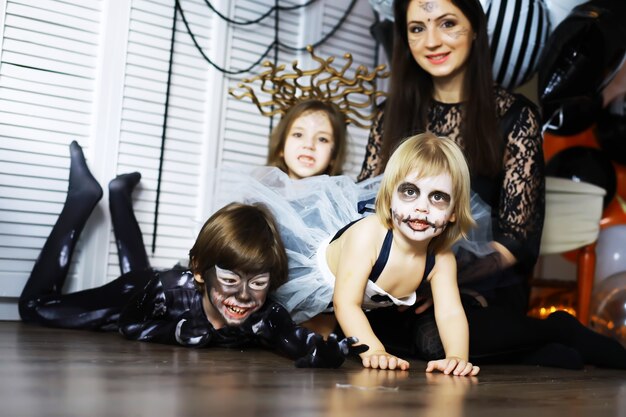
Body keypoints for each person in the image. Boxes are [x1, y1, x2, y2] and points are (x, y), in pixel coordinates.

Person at [357, 0, 626, 369]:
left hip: (484, 280)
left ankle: (559, 330)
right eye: (417, 28)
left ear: (476, 30)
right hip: (397, 277)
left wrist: (439, 273)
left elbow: (519, 239)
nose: (432, 40)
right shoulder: (389, 116)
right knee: (358, 328)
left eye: (447, 23)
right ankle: (544, 355)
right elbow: (364, 208)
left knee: (434, 337)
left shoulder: (515, 116)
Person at [18, 140, 364, 368]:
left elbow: (292, 339)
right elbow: (129, 323)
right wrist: (179, 333)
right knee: (33, 309)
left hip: (158, 290)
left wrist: (326, 352)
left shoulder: (264, 312)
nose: (243, 296)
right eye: (229, 280)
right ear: (200, 271)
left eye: (258, 282)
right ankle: (81, 198)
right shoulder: (170, 291)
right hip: (138, 293)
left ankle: (120, 196)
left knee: (148, 283)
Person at [225, 133, 482, 376]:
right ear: (390, 196)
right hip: (310, 278)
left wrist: (458, 357)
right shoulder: (368, 236)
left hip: (340, 306)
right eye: (410, 192)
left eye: (438, 197)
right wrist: (375, 351)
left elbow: (450, 312)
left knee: (315, 341)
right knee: (252, 313)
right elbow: (346, 303)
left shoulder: (441, 260)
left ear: (453, 213)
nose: (421, 207)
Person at [267, 99, 348, 178]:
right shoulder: (260, 188)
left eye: (322, 139)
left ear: (334, 154)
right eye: (298, 135)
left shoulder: (342, 191)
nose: (309, 145)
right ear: (281, 147)